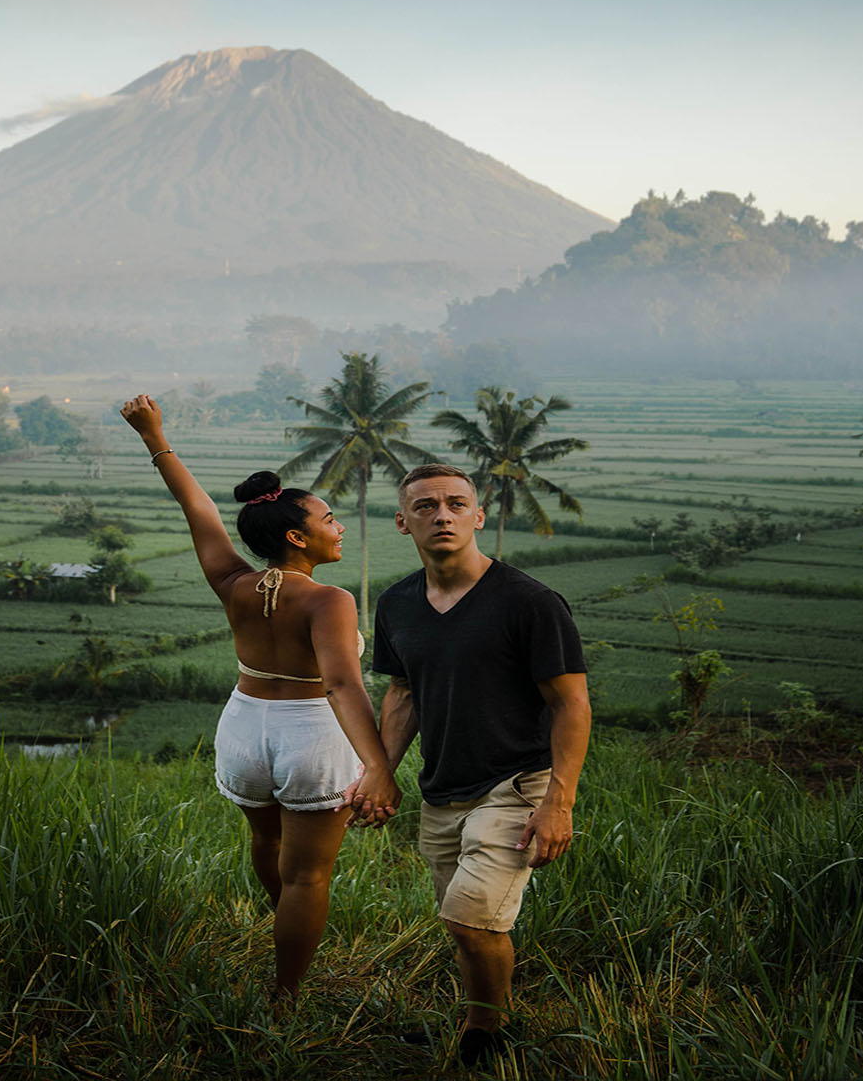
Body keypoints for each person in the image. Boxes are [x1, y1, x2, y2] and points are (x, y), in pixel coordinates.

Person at [119, 394, 401, 1002]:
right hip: (311, 732)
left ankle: (287, 934)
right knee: (309, 875)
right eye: (329, 519)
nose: (339, 526)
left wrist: (155, 436)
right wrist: (378, 767)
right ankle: (288, 992)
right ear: (298, 537)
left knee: (267, 845)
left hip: (244, 727)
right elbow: (343, 684)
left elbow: (197, 510)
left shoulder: (232, 583)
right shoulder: (330, 601)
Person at [367, 463, 590, 1067]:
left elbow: (571, 702)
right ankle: (486, 1016)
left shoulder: (529, 602)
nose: (442, 514)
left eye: (456, 504)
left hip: (517, 782)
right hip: (442, 789)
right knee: (465, 923)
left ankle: (486, 1032)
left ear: (478, 516)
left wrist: (559, 801)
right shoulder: (397, 604)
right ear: (402, 520)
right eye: (426, 506)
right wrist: (382, 770)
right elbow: (403, 692)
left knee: (469, 920)